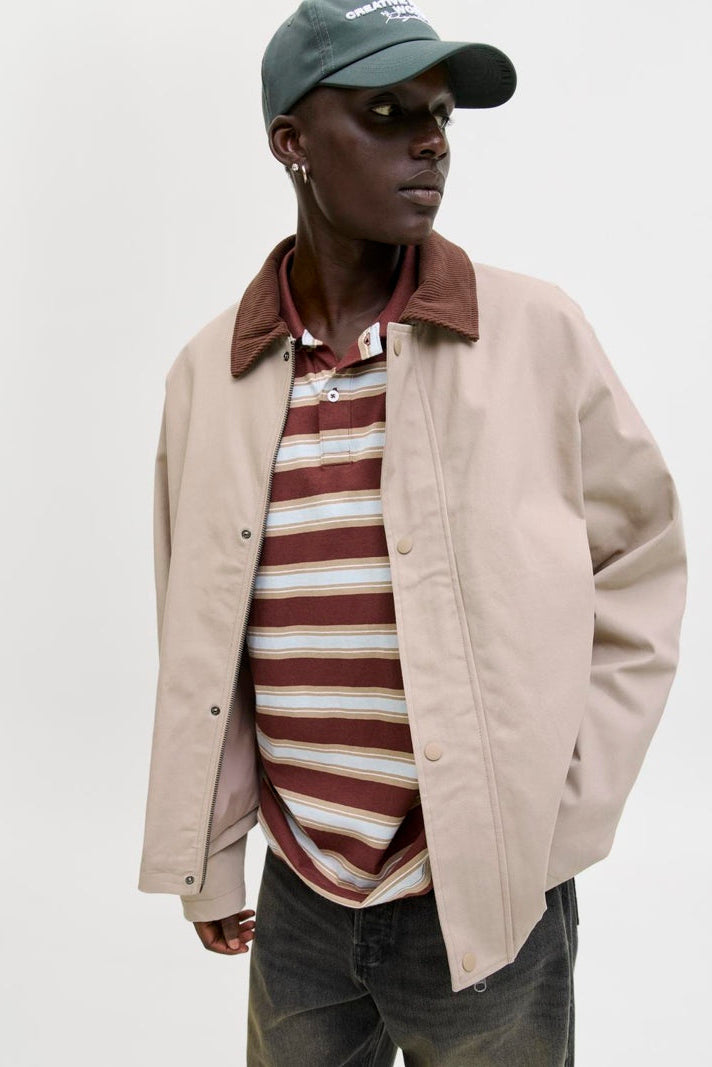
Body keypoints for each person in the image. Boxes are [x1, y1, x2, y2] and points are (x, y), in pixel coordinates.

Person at [137, 2, 687, 1063]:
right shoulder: (210, 373)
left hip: (485, 892)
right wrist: (209, 851)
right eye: (386, 113)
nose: (430, 142)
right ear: (291, 142)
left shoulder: (534, 332)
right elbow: (196, 632)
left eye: (439, 116)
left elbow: (641, 564)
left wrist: (557, 813)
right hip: (300, 892)